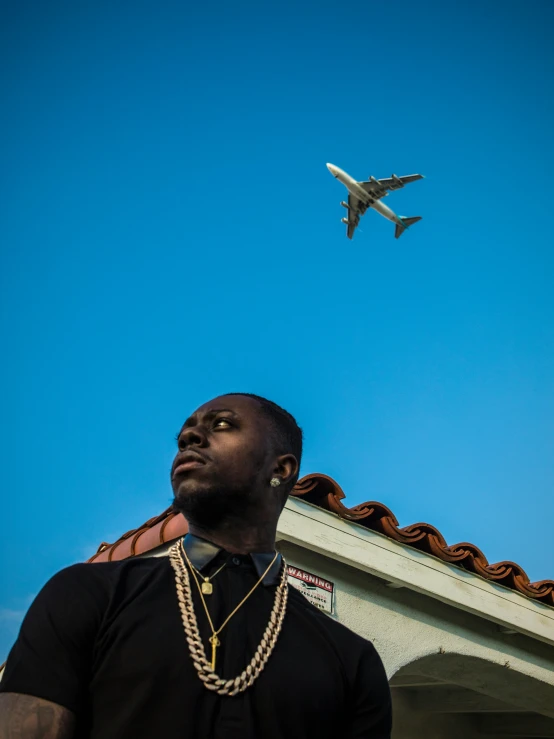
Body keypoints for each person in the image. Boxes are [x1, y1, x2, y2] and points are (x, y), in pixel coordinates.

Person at [0, 393, 392, 739]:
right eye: (183, 435)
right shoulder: (87, 594)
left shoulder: (351, 661)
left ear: (281, 469)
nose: (189, 438)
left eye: (222, 425)